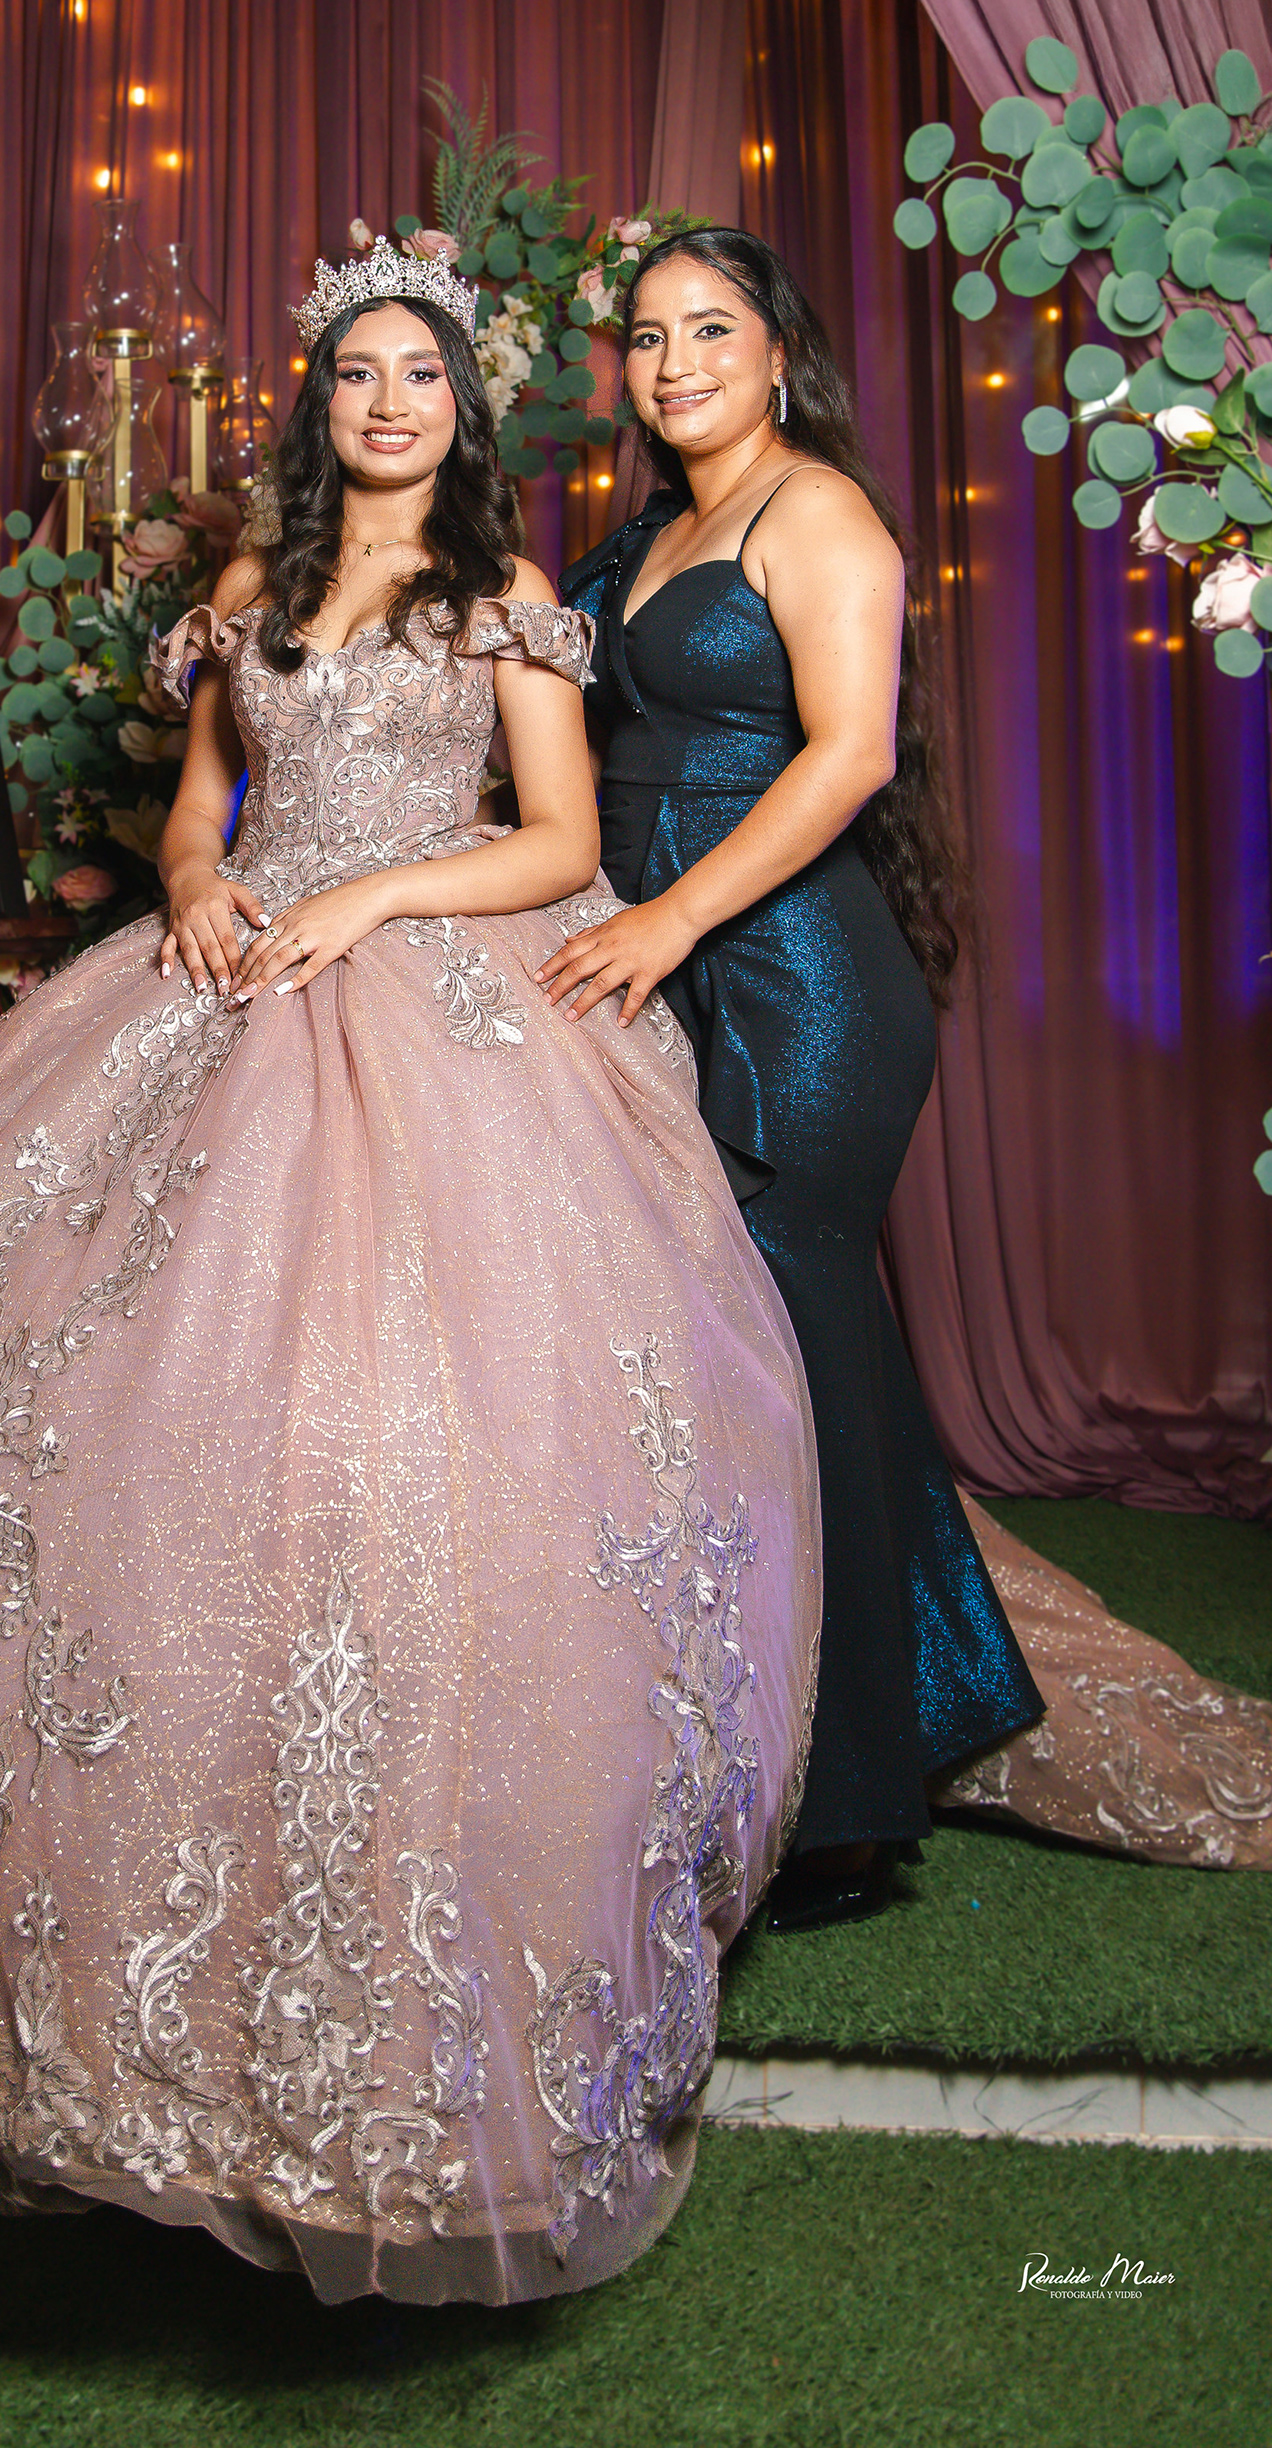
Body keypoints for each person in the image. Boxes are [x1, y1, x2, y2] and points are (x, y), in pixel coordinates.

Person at [0, 235, 821, 2306]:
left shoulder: (506, 594)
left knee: (401, 1433)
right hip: (218, 983)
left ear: (466, 406)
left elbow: (562, 844)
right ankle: (83, 2021)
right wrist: (204, 883)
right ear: (318, 404)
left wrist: (367, 900)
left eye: (422, 374)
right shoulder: (247, 591)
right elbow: (201, 805)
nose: (390, 403)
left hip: (422, 989)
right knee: (73, 1422)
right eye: (359, 373)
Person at [545, 226, 1272, 1923]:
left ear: (776, 351)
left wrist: (670, 920)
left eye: (709, 329)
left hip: (797, 987)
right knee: (744, 1361)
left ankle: (853, 1808)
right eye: (648, 337)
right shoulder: (641, 540)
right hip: (655, 971)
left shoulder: (816, 512)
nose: (674, 363)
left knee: (799, 1355)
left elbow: (850, 755)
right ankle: (868, 1707)